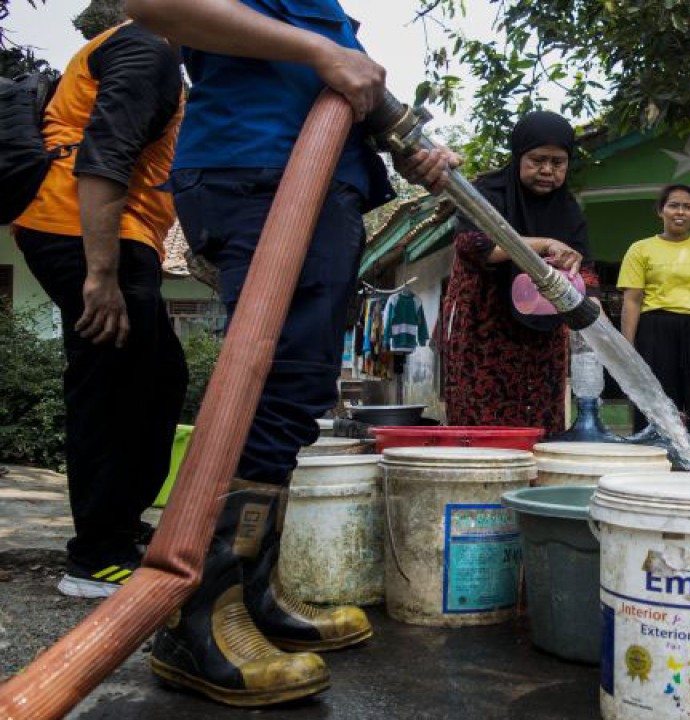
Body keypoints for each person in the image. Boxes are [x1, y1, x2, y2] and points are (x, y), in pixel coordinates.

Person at [127, 0, 458, 706]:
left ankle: (250, 596)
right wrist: (318, 52)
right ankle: (200, 617)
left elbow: (355, 92)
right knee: (273, 384)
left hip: (320, 186)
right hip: (258, 173)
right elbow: (156, 5)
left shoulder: (324, 9)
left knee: (301, 390)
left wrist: (413, 147)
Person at [10, 21, 188, 599]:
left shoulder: (143, 50)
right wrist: (101, 274)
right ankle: (95, 556)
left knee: (159, 378)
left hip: (102, 233)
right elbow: (104, 153)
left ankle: (118, 521)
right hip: (82, 231)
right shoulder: (146, 49)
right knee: (110, 385)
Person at [439, 111, 597, 435]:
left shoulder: (568, 210)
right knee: (481, 420)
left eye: (558, 162)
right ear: (519, 155)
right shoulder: (487, 192)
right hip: (484, 331)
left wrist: (591, 303)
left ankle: (532, 484)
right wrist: (545, 244)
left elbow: (587, 268)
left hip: (543, 337)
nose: (547, 171)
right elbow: (474, 246)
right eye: (537, 160)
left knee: (539, 424)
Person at [618, 184, 690, 465]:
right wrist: (626, 349)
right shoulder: (640, 248)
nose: (681, 212)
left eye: (688, 206)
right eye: (674, 205)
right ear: (661, 211)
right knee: (656, 402)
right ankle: (652, 466)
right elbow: (632, 300)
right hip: (655, 329)